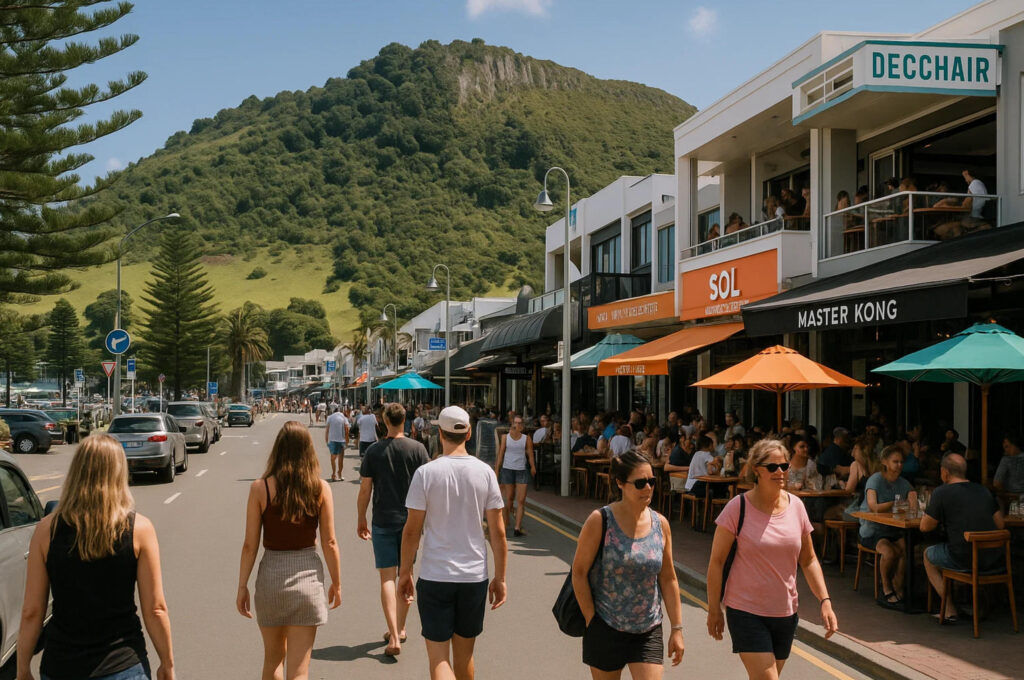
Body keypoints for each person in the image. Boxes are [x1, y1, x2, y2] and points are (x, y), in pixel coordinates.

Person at [16, 434, 175, 680]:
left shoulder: (46, 530)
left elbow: (32, 611)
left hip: (61, 665)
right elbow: (155, 609)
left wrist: (23, 668)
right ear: (119, 473)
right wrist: (167, 664)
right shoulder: (139, 529)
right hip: (123, 664)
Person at [706, 439, 838, 680]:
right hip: (745, 610)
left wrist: (825, 600)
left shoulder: (796, 506)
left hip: (785, 612)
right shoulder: (738, 508)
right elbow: (716, 561)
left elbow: (808, 560)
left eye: (784, 466)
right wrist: (714, 608)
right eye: (772, 467)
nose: (780, 472)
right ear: (756, 470)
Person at [398, 406, 508, 680]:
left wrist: (404, 572)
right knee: (465, 655)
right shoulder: (485, 473)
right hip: (473, 577)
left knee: (439, 659)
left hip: (436, 574)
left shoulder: (426, 473)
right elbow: (498, 532)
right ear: (469, 433)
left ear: (439, 433)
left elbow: (412, 531)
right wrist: (501, 577)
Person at [237, 421, 342, 680]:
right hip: (307, 580)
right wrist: (337, 583)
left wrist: (242, 586)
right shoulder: (320, 489)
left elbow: (250, 545)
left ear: (278, 450)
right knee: (299, 670)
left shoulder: (260, 488)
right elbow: (329, 542)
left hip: (271, 578)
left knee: (273, 660)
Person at [571, 451, 685, 676]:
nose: (648, 488)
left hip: (648, 629)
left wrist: (677, 628)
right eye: (640, 483)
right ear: (620, 483)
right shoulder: (600, 520)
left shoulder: (660, 524)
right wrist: (591, 620)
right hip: (606, 626)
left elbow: (668, 577)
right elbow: (579, 572)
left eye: (651, 481)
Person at [357, 403, 430, 656]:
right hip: (412, 522)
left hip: (383, 520)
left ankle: (394, 636)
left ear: (384, 421)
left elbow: (365, 490)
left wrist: (361, 519)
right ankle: (400, 628)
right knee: (406, 575)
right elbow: (428, 488)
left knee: (387, 578)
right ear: (405, 420)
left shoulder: (374, 451)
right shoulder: (418, 449)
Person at [920, 453, 1005, 623]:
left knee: (928, 555)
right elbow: (1001, 525)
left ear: (944, 472)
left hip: (964, 559)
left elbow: (925, 527)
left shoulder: (941, 492)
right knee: (955, 548)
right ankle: (976, 603)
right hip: (994, 559)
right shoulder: (984, 490)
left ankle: (950, 610)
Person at [858, 445, 917, 608]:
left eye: (901, 462)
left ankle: (898, 585)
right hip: (872, 529)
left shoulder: (904, 483)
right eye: (895, 461)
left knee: (906, 549)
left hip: (893, 529)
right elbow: (873, 506)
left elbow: (913, 508)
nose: (899, 465)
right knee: (890, 552)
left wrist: (912, 497)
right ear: (884, 462)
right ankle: (886, 588)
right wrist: (897, 504)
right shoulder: (875, 480)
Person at [494, 414, 536, 537]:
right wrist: (497, 470)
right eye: (516, 423)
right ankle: (506, 523)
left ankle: (517, 528)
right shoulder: (505, 438)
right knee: (509, 499)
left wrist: (533, 466)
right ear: (512, 424)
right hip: (507, 470)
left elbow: (530, 454)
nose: (518, 425)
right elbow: (501, 454)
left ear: (522, 426)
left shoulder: (526, 439)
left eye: (520, 423)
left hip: (521, 471)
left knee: (521, 500)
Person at [324, 405, 349, 482]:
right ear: (341, 411)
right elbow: (347, 429)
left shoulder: (330, 417)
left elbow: (327, 430)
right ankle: (340, 474)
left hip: (332, 440)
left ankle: (333, 473)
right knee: (341, 459)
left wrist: (326, 440)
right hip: (341, 440)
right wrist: (347, 440)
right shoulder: (344, 418)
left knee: (333, 458)